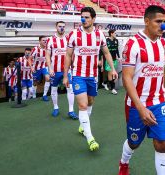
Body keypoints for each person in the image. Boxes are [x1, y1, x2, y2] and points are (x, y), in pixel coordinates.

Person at [118, 5, 165, 175]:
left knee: (162, 143)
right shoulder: (132, 44)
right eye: (159, 21)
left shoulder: (164, 44)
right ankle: (124, 162)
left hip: (158, 102)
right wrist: (141, 108)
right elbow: (126, 78)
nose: (163, 26)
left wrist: (161, 88)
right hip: (136, 105)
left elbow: (162, 68)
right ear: (147, 21)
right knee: (134, 143)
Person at [64, 7, 118, 151]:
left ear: (93, 19)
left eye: (87, 17)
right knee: (82, 105)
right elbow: (68, 55)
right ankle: (90, 138)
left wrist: (112, 69)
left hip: (93, 76)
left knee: (90, 102)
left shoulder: (100, 35)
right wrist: (65, 75)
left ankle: (82, 126)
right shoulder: (74, 35)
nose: (84, 20)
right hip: (78, 75)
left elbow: (106, 53)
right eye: (82, 17)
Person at [45, 21, 78, 119]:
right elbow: (47, 55)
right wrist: (50, 69)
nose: (62, 28)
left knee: (70, 89)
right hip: (54, 71)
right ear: (56, 27)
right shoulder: (50, 40)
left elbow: (73, 54)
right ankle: (56, 107)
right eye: (60, 26)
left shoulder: (69, 39)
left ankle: (71, 111)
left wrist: (73, 65)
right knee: (54, 89)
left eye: (63, 26)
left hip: (66, 71)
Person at [30, 36, 50, 101]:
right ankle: (34, 95)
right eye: (43, 40)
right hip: (36, 68)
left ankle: (44, 95)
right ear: (39, 41)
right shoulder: (35, 49)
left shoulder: (48, 48)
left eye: (46, 40)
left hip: (44, 67)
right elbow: (29, 59)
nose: (45, 41)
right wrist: (31, 67)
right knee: (35, 82)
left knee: (48, 78)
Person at [106, 29, 120, 95]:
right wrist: (101, 59)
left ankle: (105, 82)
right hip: (108, 60)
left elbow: (117, 50)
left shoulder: (116, 40)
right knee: (111, 73)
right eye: (115, 33)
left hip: (114, 59)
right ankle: (113, 88)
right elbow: (103, 51)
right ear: (111, 33)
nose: (116, 34)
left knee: (113, 74)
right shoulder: (106, 41)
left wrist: (119, 57)